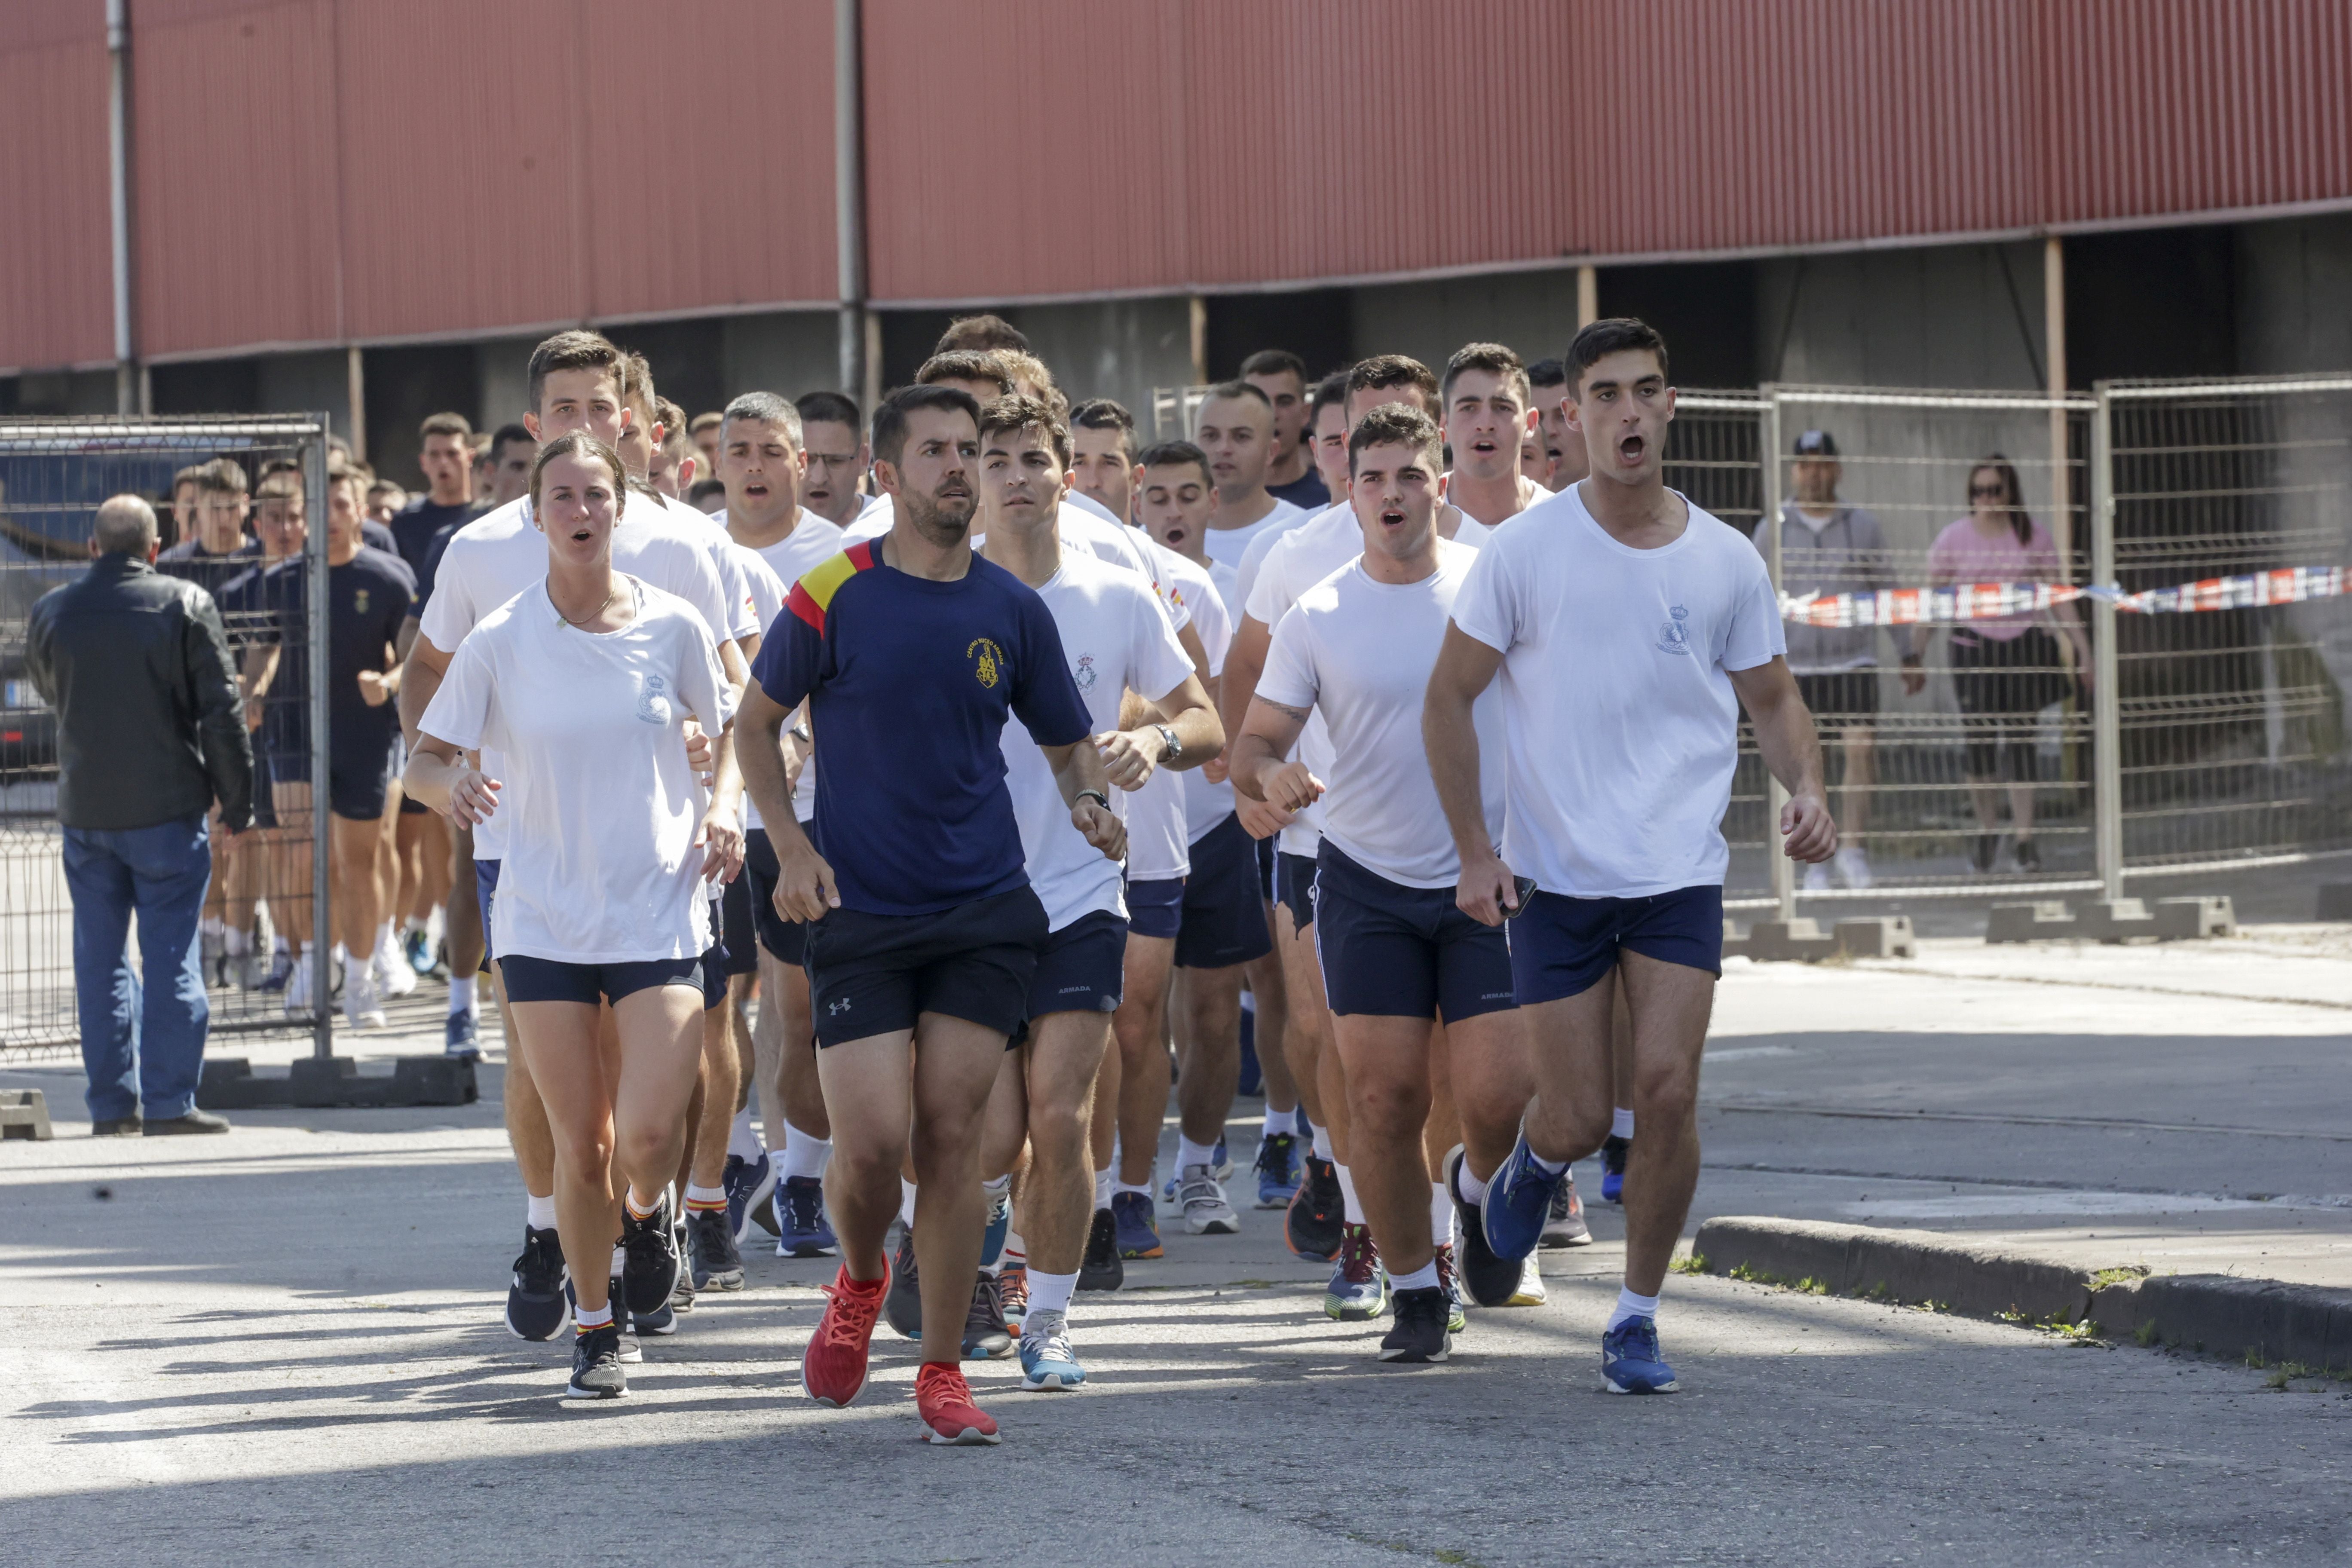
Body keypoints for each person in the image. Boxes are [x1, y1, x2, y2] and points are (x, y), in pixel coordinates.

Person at [1424, 317, 1836, 1395]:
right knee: (1566, 1109)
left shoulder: (1722, 558)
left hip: (1675, 876)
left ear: (1668, 407)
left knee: (1664, 1091)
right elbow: (1447, 700)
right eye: (1600, 396)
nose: (1623, 413)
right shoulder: (1524, 552)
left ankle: (1636, 1315)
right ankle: (1528, 1162)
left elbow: (1774, 696)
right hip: (1554, 878)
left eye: (1641, 392)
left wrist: (1808, 788)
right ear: (1570, 417)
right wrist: (1474, 851)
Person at [734, 384, 1119, 1446]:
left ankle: (942, 1367)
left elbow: (1065, 740)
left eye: (972, 451)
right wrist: (793, 847)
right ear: (887, 476)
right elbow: (755, 727)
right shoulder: (830, 593)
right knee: (869, 1146)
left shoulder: (1011, 609)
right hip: (859, 910)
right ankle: (861, 1283)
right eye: (938, 452)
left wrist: (1086, 800)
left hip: (984, 910)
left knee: (952, 1142)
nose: (960, 469)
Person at [400, 329, 743, 1344]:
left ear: (632, 419)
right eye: (564, 412)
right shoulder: (482, 552)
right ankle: (551, 1229)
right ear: (533, 424)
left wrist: (725, 781)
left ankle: (659, 1211)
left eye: (601, 409)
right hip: (531, 840)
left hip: (656, 847)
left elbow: (741, 687)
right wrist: (452, 773)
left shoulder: (683, 546)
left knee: (669, 1064)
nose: (584, 429)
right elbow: (429, 682)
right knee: (548, 1076)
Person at [1234, 403, 1526, 1361]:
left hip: (1485, 881)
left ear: (1441, 484)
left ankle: (1479, 1199)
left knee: (1495, 1102)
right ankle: (1414, 1290)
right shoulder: (1319, 613)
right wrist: (1270, 776)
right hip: (1363, 883)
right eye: (1374, 479)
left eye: (1410, 476)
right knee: (1384, 1102)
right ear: (1347, 490)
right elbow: (1257, 743)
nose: (1393, 495)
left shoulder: (1496, 585)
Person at [972, 393, 1219, 1388]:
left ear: (1067, 477)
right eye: (999, 461)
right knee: (987, 1133)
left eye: (1037, 460)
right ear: (973, 478)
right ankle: (977, 1251)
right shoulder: (940, 594)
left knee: (1060, 1117)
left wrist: (1150, 741)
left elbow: (1200, 716)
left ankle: (1050, 1323)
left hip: (1080, 892)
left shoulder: (1117, 594)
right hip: (969, 899)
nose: (1019, 477)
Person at [28, 494, 252, 1136]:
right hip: (167, 808)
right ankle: (169, 1104)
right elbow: (221, 712)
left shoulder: (51, 611)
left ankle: (110, 1107)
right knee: (171, 954)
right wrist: (238, 801)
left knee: (98, 962)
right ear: (156, 549)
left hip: (85, 809)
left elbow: (52, 690)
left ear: (93, 548)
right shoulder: (183, 604)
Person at [715, 391, 848, 1259]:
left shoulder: (843, 556)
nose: (756, 466)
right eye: (740, 451)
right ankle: (731, 1160)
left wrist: (802, 734)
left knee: (799, 1004)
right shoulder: (697, 548)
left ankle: (803, 1176)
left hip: (817, 813)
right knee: (714, 997)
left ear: (804, 463)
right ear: (716, 461)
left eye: (773, 450)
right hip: (721, 812)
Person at [239, 465, 416, 1029]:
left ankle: (360, 981)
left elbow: (413, 655)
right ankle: (315, 966)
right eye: (321, 505)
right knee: (299, 852)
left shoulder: (389, 577)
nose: (330, 516)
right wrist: (252, 692)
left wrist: (387, 684)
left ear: (361, 510)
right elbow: (264, 647)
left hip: (363, 736)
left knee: (356, 863)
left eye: (341, 504)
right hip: (294, 732)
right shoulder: (283, 578)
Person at [1760, 429, 1923, 890]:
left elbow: (1887, 589)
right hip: (1796, 666)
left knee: (1860, 750)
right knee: (1808, 762)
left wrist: (1908, 650)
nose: (1814, 473)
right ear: (1795, 469)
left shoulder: (1861, 524)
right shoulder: (1774, 525)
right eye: (1806, 463)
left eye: (1823, 463)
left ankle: (1853, 848)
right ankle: (1818, 860)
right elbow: (1752, 593)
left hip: (1854, 660)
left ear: (1838, 469)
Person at [1929, 454, 2092, 874]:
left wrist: (2083, 650)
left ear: (2011, 493)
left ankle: (2024, 839)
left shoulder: (2033, 537)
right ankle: (1988, 832)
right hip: (1973, 646)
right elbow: (1930, 599)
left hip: (2023, 645)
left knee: (2021, 744)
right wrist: (1913, 653)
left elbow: (2059, 597)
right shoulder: (1952, 539)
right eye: (1979, 491)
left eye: (1995, 490)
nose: (1987, 499)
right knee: (1979, 746)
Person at [389, 414, 479, 977]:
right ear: (423, 462)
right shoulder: (416, 528)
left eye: (454, 452)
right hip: (433, 707)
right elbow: (412, 627)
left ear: (471, 456)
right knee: (424, 829)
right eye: (434, 454)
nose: (445, 462)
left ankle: (454, 952)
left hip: (485, 718)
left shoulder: (480, 528)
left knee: (463, 849)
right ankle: (423, 933)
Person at [1193, 381, 1307, 569]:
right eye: (1211, 436)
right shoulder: (1159, 535)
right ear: (1193, 445)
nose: (1223, 449)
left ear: (1271, 451)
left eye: (1241, 437)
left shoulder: (1302, 533)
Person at [1440, 343, 1541, 537]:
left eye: (1503, 408)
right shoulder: (1415, 517)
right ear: (1445, 425)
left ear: (1530, 423)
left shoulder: (1563, 522)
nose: (1485, 425)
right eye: (1468, 408)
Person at [1241, 349, 1329, 511]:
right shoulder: (1219, 503)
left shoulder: (1330, 500)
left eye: (1284, 402)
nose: (1272, 414)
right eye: (1260, 402)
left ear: (1305, 414)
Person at [156, 458, 257, 599]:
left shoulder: (263, 559)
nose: (224, 518)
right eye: (215, 508)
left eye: (232, 507)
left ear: (246, 504)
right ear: (198, 507)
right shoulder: (170, 566)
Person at [795, 392, 870, 529]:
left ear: (863, 460)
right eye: (807, 461)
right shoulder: (755, 533)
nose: (819, 478)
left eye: (835, 461)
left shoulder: (890, 527)